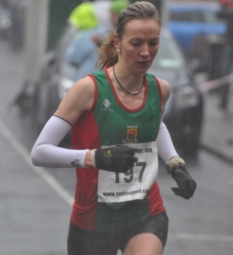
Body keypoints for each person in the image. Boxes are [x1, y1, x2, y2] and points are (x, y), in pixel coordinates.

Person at [31, 2, 197, 255]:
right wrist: (95, 157)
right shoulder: (88, 90)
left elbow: (156, 125)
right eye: (136, 43)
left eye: (153, 43)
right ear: (118, 42)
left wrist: (176, 164)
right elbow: (40, 152)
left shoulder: (160, 89)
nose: (146, 52)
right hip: (93, 222)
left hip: (145, 214)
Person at [65, 0, 129, 81]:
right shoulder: (126, 35)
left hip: (89, 81)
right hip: (110, 82)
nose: (110, 16)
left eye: (113, 14)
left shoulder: (91, 34)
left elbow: (72, 58)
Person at [216, 0, 233, 110]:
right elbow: (219, 14)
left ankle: (223, 101)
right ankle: (223, 101)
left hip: (229, 44)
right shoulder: (229, 11)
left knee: (225, 71)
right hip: (229, 44)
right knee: (225, 72)